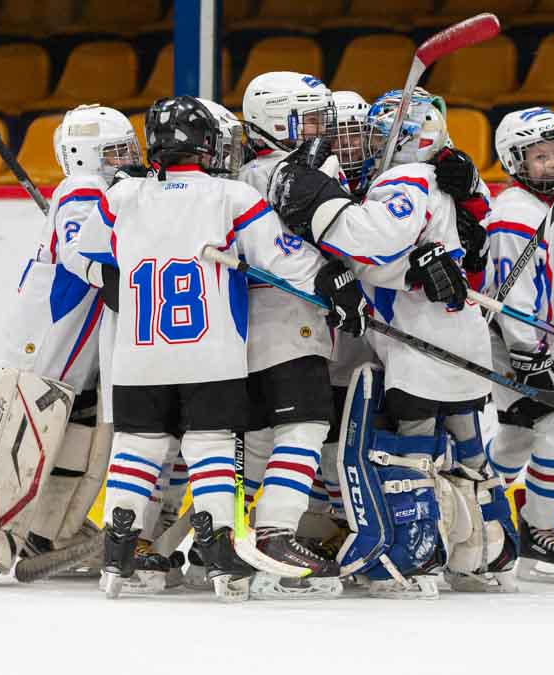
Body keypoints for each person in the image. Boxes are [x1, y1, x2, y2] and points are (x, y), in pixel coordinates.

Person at [75, 96, 364, 601]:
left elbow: (94, 250)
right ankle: (218, 548)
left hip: (139, 351)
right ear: (208, 145)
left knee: (138, 447)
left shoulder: (122, 198)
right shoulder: (230, 196)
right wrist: (332, 278)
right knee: (209, 446)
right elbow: (283, 257)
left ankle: (119, 543)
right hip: (209, 350)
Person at [266, 88, 518, 598]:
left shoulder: (404, 179)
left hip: (422, 340)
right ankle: (488, 550)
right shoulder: (442, 178)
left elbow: (369, 243)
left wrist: (316, 205)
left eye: (378, 135)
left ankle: (412, 556)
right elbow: (457, 248)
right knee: (467, 445)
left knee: (410, 448)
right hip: (456, 336)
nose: (369, 145)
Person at [0, 104, 140, 585]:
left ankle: (46, 532)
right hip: (49, 342)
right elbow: (82, 253)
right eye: (114, 150)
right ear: (83, 155)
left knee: (77, 443)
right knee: (21, 436)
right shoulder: (81, 189)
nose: (126, 157)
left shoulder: (106, 192)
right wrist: (110, 270)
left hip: (79, 349)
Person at [236, 72, 348, 599]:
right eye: (311, 117)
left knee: (257, 438)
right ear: (279, 120)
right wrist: (338, 281)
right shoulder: (282, 175)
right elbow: (288, 250)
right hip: (288, 321)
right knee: (304, 428)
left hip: (241, 328)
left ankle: (233, 548)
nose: (322, 129)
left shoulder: (238, 174)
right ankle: (276, 540)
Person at [484, 107, 554, 583]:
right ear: (514, 161)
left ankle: (473, 502)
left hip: (524, 343)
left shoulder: (541, 207)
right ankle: (538, 526)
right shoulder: (515, 215)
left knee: (519, 434)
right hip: (513, 346)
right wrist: (528, 353)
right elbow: (511, 290)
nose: (553, 164)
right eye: (539, 157)